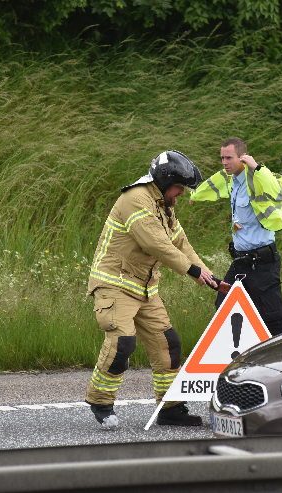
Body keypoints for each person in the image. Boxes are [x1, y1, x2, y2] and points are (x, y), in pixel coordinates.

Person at [85, 150, 219, 430]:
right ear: (165, 180)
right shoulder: (135, 200)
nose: (181, 193)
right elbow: (155, 243)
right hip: (114, 283)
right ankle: (101, 400)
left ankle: (170, 408)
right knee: (122, 343)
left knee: (168, 344)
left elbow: (179, 242)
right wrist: (191, 270)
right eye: (179, 188)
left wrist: (205, 275)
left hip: (144, 288)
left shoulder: (164, 203)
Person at [190, 137, 282, 336]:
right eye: (222, 158)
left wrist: (257, 167)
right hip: (242, 262)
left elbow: (275, 192)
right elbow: (213, 184)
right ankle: (244, 352)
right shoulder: (232, 180)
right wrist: (195, 195)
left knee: (274, 317)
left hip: (262, 263)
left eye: (229, 158)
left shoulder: (257, 180)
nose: (224, 162)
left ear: (242, 158)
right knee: (224, 305)